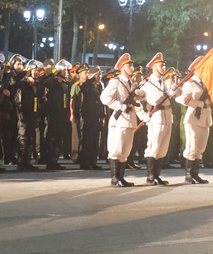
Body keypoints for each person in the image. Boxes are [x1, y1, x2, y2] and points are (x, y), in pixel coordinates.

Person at [100, 53, 145, 187]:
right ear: (122, 68)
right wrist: (120, 106)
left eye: (132, 65)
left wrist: (138, 92)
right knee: (116, 149)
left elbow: (140, 97)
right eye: (129, 66)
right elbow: (105, 97)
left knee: (125, 150)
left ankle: (121, 177)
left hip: (130, 119)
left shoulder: (132, 83)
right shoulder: (116, 82)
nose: (132, 68)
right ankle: (115, 178)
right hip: (119, 120)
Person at [139, 52, 179, 185]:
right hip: (155, 117)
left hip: (167, 116)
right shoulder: (147, 84)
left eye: (164, 65)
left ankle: (157, 175)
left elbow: (175, 94)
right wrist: (144, 113)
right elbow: (137, 99)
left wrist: (175, 86)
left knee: (163, 147)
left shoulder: (165, 82)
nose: (164, 67)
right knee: (154, 146)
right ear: (154, 66)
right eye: (162, 65)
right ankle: (150, 176)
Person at [175, 56, 211, 184]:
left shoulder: (206, 83)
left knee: (200, 147)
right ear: (195, 70)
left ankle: (196, 174)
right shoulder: (189, 84)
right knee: (192, 147)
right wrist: (200, 104)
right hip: (193, 119)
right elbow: (181, 99)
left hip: (205, 118)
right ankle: (189, 175)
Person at [71, 64, 104, 170]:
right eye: (97, 74)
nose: (99, 77)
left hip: (95, 116)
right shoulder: (84, 85)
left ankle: (93, 161)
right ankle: (85, 162)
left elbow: (99, 102)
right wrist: (72, 114)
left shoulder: (97, 86)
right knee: (86, 140)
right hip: (86, 116)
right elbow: (74, 99)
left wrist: (102, 115)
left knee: (95, 140)